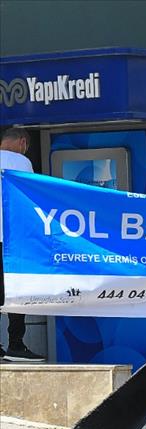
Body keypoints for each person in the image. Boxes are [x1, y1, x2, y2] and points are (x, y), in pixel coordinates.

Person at [0, 126, 45, 362]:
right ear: (23, 143)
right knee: (17, 290)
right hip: (12, 239)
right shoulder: (21, 162)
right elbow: (31, 199)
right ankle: (16, 345)